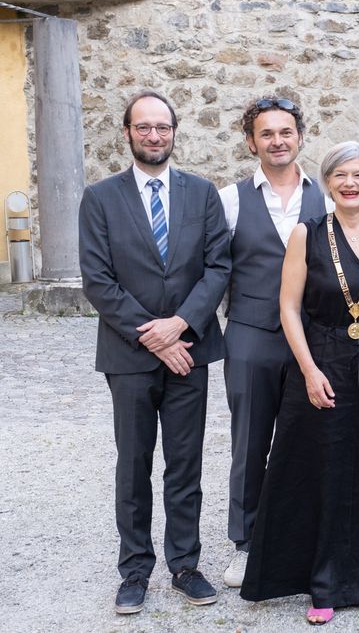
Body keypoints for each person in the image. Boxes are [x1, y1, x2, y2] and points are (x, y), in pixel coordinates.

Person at [239, 141, 359, 625]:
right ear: (328, 183)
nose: (350, 183)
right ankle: (323, 583)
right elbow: (288, 307)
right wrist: (309, 368)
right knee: (321, 469)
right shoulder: (308, 234)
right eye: (340, 175)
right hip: (322, 363)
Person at [79, 90, 231, 615]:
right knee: (134, 463)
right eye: (143, 127)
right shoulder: (100, 198)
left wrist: (180, 325)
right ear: (127, 133)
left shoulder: (202, 193)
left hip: (190, 349)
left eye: (162, 127)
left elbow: (219, 268)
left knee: (185, 464)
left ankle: (185, 564)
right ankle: (135, 569)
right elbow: (98, 281)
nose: (153, 135)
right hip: (129, 356)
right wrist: (154, 337)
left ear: (174, 131)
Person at [217, 96, 332, 589]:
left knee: (308, 442)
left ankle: (300, 543)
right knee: (250, 443)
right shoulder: (227, 199)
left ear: (300, 137)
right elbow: (214, 269)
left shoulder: (325, 200)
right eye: (266, 134)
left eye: (286, 132)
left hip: (311, 341)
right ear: (251, 142)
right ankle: (246, 544)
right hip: (250, 336)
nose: (277, 141)